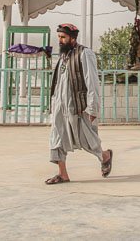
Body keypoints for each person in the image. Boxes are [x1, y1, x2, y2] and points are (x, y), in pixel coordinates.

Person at [45, 23, 112, 185]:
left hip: (78, 106)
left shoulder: (85, 54)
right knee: (56, 137)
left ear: (73, 38)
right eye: (59, 37)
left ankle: (105, 156)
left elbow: (92, 82)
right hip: (60, 106)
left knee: (87, 139)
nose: (60, 41)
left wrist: (92, 107)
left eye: (63, 37)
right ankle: (62, 174)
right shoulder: (63, 56)